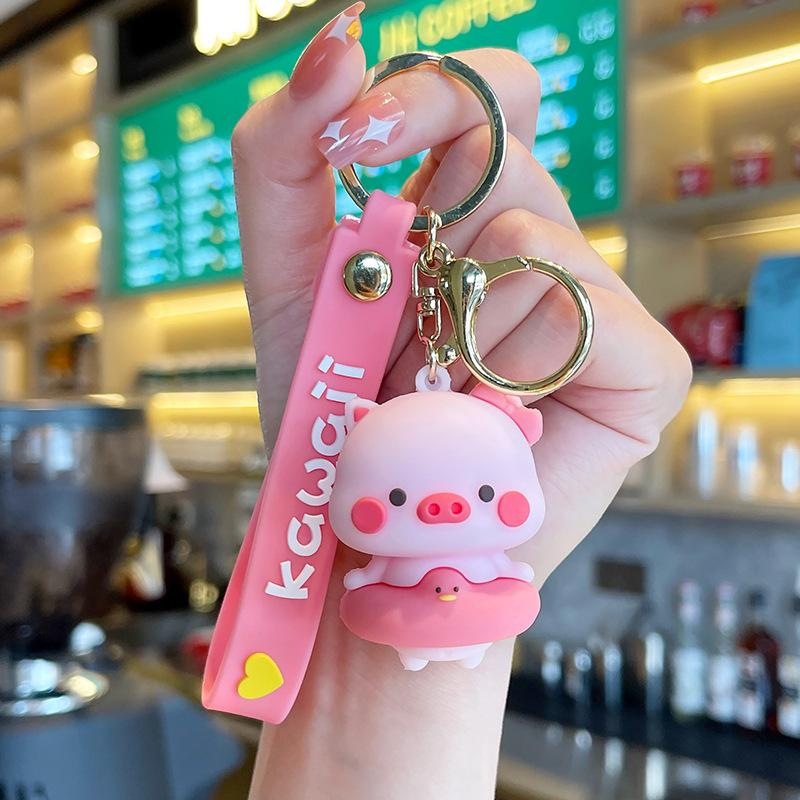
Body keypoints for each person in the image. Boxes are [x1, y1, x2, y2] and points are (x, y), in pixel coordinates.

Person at [233, 3, 692, 797]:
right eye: (399, 500)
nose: (445, 509)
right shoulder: (366, 437)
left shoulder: (467, 473)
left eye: (481, 496)